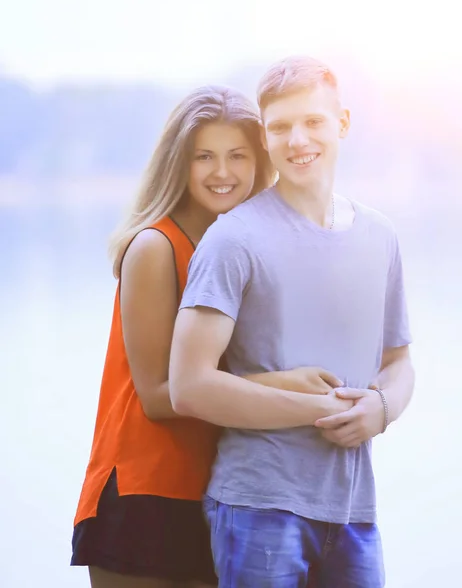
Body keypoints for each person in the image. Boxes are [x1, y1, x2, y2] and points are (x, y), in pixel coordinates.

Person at [71, 84, 346, 588]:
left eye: (237, 156)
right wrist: (285, 385)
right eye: (205, 157)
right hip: (143, 495)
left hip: (222, 493)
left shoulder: (242, 246)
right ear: (179, 164)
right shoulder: (155, 246)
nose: (223, 173)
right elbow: (158, 396)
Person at [168, 56, 415, 588]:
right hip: (258, 506)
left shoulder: (380, 236)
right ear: (265, 135)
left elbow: (398, 361)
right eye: (279, 126)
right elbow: (189, 386)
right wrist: (316, 411)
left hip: (354, 510)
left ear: (342, 123)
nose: (298, 139)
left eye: (313, 122)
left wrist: (382, 407)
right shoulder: (234, 239)